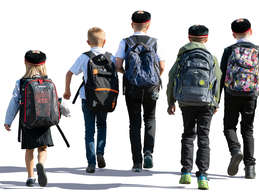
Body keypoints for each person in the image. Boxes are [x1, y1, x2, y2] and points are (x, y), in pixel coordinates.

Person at [167, 25, 221, 190]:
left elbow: (171, 77)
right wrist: (216, 102)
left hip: (186, 101)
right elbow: (217, 79)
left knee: (188, 135)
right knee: (204, 138)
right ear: (206, 38)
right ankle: (203, 176)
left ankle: (185, 172)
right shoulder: (211, 57)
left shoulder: (182, 55)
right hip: (206, 103)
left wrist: (171, 102)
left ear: (189, 38)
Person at [115, 10, 165, 172]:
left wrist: (127, 73)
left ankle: (137, 162)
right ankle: (148, 153)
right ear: (148, 25)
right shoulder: (155, 42)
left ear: (132, 24)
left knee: (134, 123)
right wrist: (152, 77)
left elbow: (117, 65)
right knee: (150, 118)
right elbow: (162, 66)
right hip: (151, 87)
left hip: (132, 87)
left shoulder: (125, 42)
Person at [220, 18, 259, 179]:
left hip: (232, 94)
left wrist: (216, 101)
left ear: (233, 34)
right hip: (251, 95)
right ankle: (250, 168)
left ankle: (235, 151)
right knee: (247, 129)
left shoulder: (229, 50)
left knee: (229, 127)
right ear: (251, 31)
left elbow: (221, 77)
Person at [63, 27, 115, 173]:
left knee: (89, 130)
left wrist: (67, 90)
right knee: (102, 126)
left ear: (88, 42)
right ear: (104, 41)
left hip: (88, 98)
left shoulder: (84, 57)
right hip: (105, 98)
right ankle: (100, 153)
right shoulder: (111, 57)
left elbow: (69, 73)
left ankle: (91, 163)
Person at [4, 50, 54, 187]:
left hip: (28, 122)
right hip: (45, 121)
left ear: (25, 62)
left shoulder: (21, 83)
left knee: (29, 150)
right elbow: (55, 102)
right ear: (44, 64)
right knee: (43, 148)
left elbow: (14, 102)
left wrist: (8, 120)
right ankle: (41, 164)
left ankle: (31, 177)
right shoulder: (48, 81)